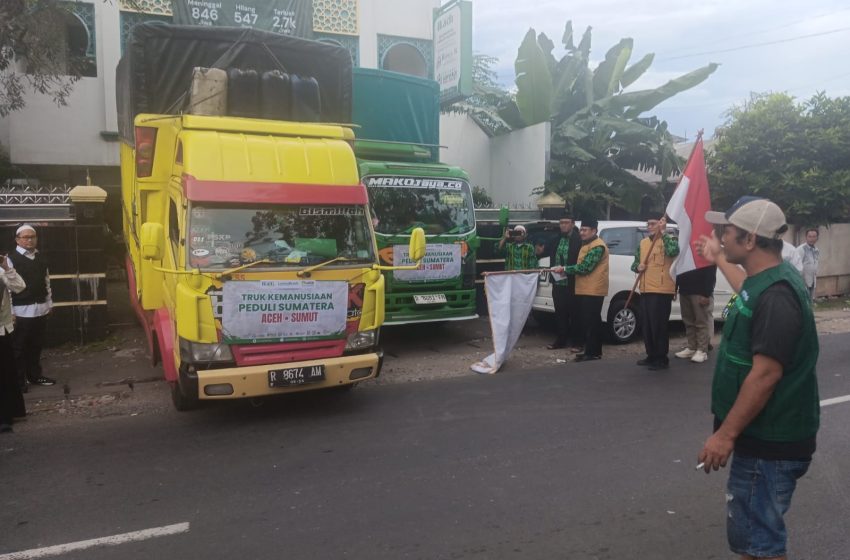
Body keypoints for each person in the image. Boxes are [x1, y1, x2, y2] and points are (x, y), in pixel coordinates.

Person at [696, 196, 819, 560]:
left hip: (770, 446)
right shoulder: (764, 280)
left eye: (726, 231)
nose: (721, 236)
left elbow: (765, 375)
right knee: (755, 542)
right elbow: (746, 291)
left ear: (749, 240)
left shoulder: (778, 296)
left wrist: (725, 435)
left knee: (760, 545)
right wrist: (719, 259)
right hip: (763, 439)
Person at [8, 225, 56, 391]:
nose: (29, 240)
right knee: (19, 347)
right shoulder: (10, 259)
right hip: (21, 310)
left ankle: (34, 375)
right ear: (17, 240)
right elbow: (7, 288)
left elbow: (46, 281)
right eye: (26, 237)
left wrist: (49, 303)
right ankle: (18, 381)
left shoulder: (40, 258)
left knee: (36, 345)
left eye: (33, 237)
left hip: (40, 308)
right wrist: (11, 312)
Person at [631, 216, 679, 370]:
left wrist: (663, 233)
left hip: (661, 290)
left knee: (659, 325)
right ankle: (651, 355)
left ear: (660, 224)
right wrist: (638, 267)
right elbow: (635, 263)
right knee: (647, 325)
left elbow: (673, 251)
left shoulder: (669, 240)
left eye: (653, 224)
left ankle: (661, 358)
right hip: (645, 288)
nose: (650, 226)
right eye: (648, 224)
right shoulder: (643, 243)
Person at [563, 218, 608, 362]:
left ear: (594, 231)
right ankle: (591, 351)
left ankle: (593, 352)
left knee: (592, 321)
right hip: (585, 288)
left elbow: (585, 267)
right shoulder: (587, 244)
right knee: (588, 321)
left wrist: (564, 269)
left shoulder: (598, 246)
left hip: (593, 290)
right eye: (581, 229)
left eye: (585, 230)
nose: (581, 233)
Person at [546, 212, 582, 351]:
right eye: (561, 223)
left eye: (566, 222)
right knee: (560, 312)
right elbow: (545, 252)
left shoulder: (579, 240)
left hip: (573, 282)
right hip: (558, 282)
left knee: (575, 313)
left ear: (572, 224)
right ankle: (561, 340)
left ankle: (577, 342)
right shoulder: (556, 239)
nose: (563, 225)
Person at [1, 252, 27, 433]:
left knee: (4, 373)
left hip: (1, 330)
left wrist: (6, 267)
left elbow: (19, 286)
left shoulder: (1, 272)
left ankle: (5, 416)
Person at [675, 265, 717, 364]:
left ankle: (702, 350)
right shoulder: (684, 254)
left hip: (700, 291)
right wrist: (675, 287)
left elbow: (711, 272)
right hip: (684, 290)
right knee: (688, 321)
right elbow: (679, 268)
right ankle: (692, 347)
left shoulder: (705, 255)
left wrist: (706, 293)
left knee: (701, 322)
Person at [795, 228, 819, 301]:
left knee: (810, 302)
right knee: (803, 302)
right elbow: (796, 265)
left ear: (817, 237)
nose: (812, 239)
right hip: (803, 283)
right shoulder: (801, 249)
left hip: (812, 281)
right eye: (810, 236)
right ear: (806, 237)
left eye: (814, 236)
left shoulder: (816, 250)